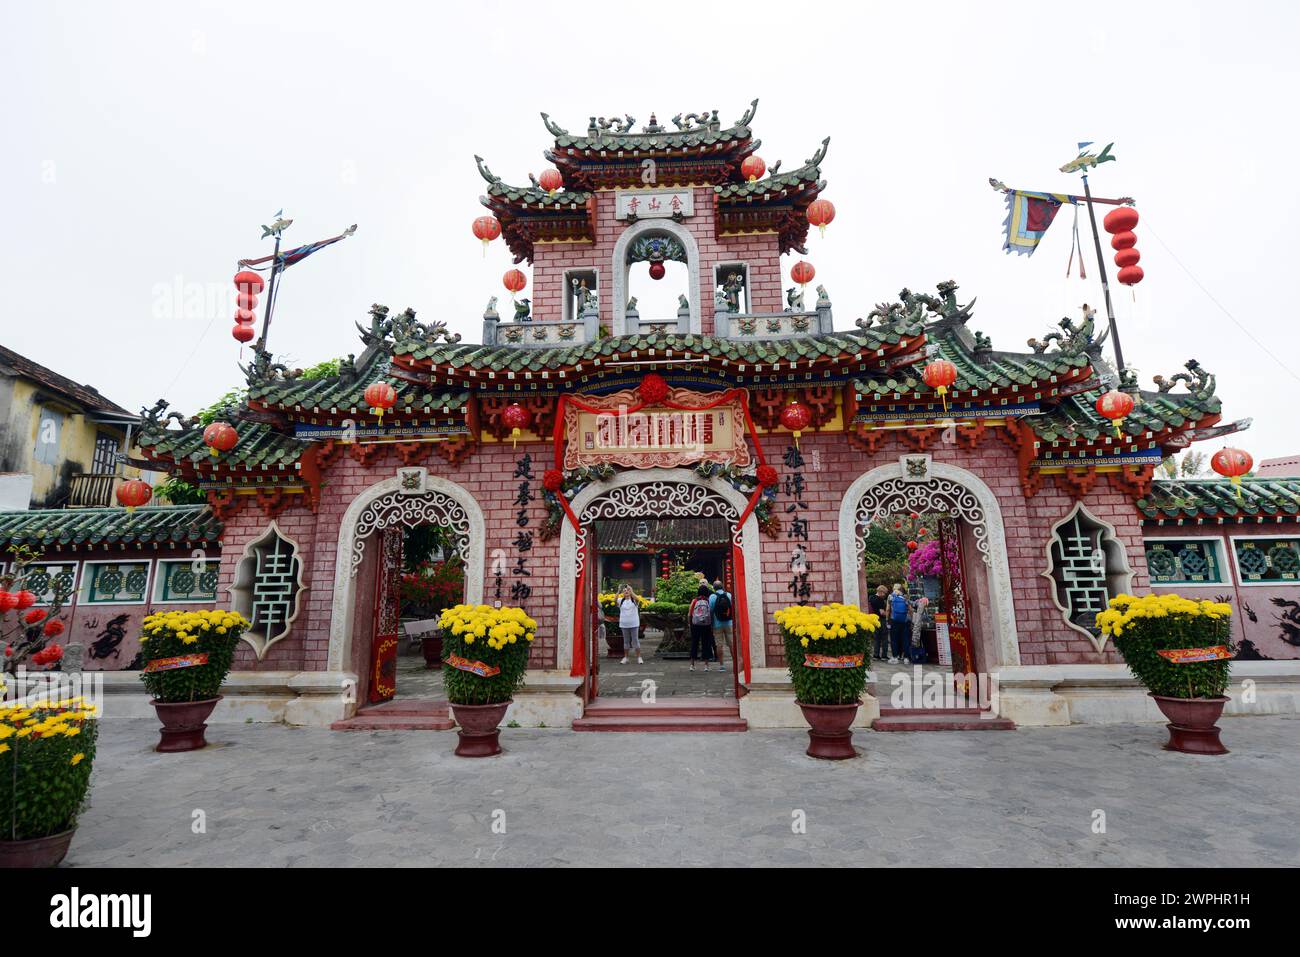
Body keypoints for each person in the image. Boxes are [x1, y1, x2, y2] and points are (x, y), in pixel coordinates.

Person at [687, 582, 714, 672]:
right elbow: (711, 614)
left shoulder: (694, 601)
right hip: (706, 625)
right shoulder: (708, 601)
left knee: (694, 643)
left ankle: (692, 664)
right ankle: (706, 665)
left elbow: (690, 614)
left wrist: (690, 624)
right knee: (706, 644)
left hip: (695, 625)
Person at [708, 579, 733, 673]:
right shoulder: (729, 595)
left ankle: (722, 665)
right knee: (731, 644)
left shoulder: (712, 597)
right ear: (722, 586)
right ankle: (735, 664)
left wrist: (711, 624)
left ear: (714, 588)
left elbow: (710, 611)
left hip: (717, 624)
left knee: (719, 645)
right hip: (729, 623)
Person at [617, 585, 643, 665]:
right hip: (624, 624)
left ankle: (639, 657)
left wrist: (631, 591)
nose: (626, 591)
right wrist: (618, 591)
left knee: (635, 641)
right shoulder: (620, 600)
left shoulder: (633, 600)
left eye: (627, 590)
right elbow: (614, 600)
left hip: (634, 623)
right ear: (623, 593)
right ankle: (626, 658)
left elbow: (638, 599)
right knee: (626, 641)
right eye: (624, 591)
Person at [887, 583, 910, 664]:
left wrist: (887, 619)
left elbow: (888, 609)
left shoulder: (891, 597)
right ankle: (906, 658)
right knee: (905, 639)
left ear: (894, 589)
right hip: (904, 620)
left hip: (894, 620)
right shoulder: (905, 597)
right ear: (901, 589)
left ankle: (895, 657)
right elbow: (909, 609)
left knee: (894, 639)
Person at [868, 584, 889, 660]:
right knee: (884, 637)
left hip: (873, 620)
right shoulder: (879, 600)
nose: (884, 595)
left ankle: (876, 655)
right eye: (884, 593)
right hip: (881, 620)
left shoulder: (871, 598)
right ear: (880, 592)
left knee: (876, 638)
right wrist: (888, 614)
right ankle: (884, 656)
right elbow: (882, 612)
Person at [909, 595, 930, 665]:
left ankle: (916, 655)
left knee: (918, 642)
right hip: (918, 629)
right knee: (919, 643)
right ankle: (918, 656)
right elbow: (918, 621)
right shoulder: (922, 604)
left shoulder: (916, 607)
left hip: (917, 628)